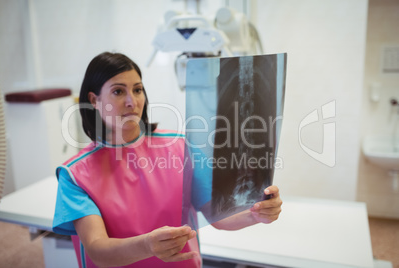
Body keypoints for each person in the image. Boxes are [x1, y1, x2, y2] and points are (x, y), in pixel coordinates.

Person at [52, 52, 283, 268]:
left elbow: (219, 216)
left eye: (138, 89)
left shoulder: (180, 147)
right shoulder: (75, 175)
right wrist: (147, 246)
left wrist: (256, 213)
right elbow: (98, 250)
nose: (132, 101)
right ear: (94, 100)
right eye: (118, 91)